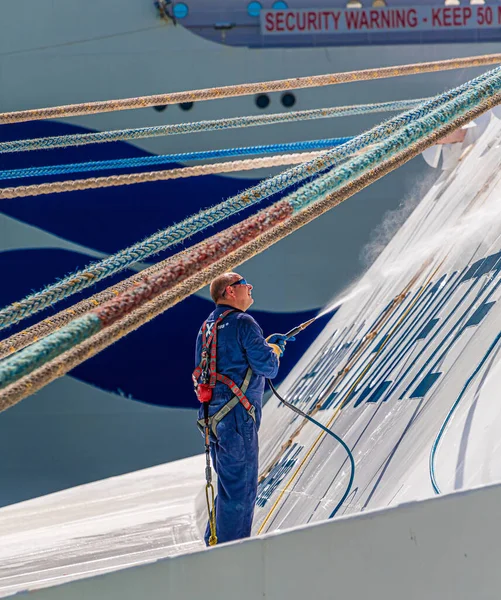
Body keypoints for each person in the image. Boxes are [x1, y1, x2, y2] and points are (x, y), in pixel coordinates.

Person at [193, 272, 293, 545]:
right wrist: (273, 350)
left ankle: (213, 541)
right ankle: (230, 553)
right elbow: (268, 367)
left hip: (213, 418)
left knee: (228, 485)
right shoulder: (244, 322)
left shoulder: (207, 327)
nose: (249, 288)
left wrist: (266, 346)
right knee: (242, 489)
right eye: (244, 285)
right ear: (229, 292)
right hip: (237, 420)